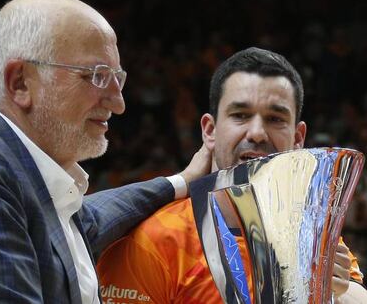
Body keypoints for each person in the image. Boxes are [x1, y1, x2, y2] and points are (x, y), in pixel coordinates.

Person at [0, 0, 212, 303]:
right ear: (21, 83)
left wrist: (182, 180)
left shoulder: (26, 180)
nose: (118, 104)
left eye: (117, 79)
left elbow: (95, 215)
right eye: (96, 76)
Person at [97, 47, 367, 303]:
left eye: (275, 119)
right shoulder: (154, 240)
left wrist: (333, 291)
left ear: (298, 139)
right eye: (240, 115)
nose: (257, 133)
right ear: (210, 130)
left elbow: (355, 292)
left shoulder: (309, 233)